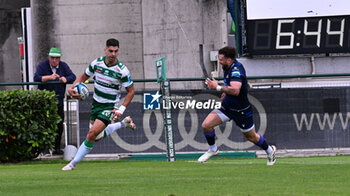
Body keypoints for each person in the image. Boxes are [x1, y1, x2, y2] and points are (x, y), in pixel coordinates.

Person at [62, 38, 136, 170]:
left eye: (116, 51)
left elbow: (131, 91)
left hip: (110, 107)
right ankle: (124, 123)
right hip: (96, 104)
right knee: (97, 137)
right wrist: (72, 88)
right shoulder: (97, 63)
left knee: (91, 134)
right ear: (105, 50)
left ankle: (72, 164)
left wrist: (121, 109)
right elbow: (82, 78)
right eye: (111, 51)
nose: (113, 54)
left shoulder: (122, 70)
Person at [198, 46, 277, 165]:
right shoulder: (227, 67)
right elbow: (229, 85)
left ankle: (270, 151)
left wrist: (217, 87)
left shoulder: (236, 69)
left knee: (252, 137)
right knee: (206, 125)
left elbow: (235, 90)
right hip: (227, 107)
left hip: (241, 111)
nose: (219, 62)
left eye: (221, 60)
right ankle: (213, 150)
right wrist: (224, 92)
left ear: (229, 60)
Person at [34, 48, 76, 155]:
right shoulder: (42, 65)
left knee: (59, 125)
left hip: (59, 102)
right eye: (52, 58)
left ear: (59, 59)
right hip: (45, 101)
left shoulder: (63, 66)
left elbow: (73, 76)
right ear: (49, 58)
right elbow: (36, 78)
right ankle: (44, 148)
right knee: (44, 125)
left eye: (56, 58)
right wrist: (49, 77)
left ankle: (57, 148)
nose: (54, 60)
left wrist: (66, 79)